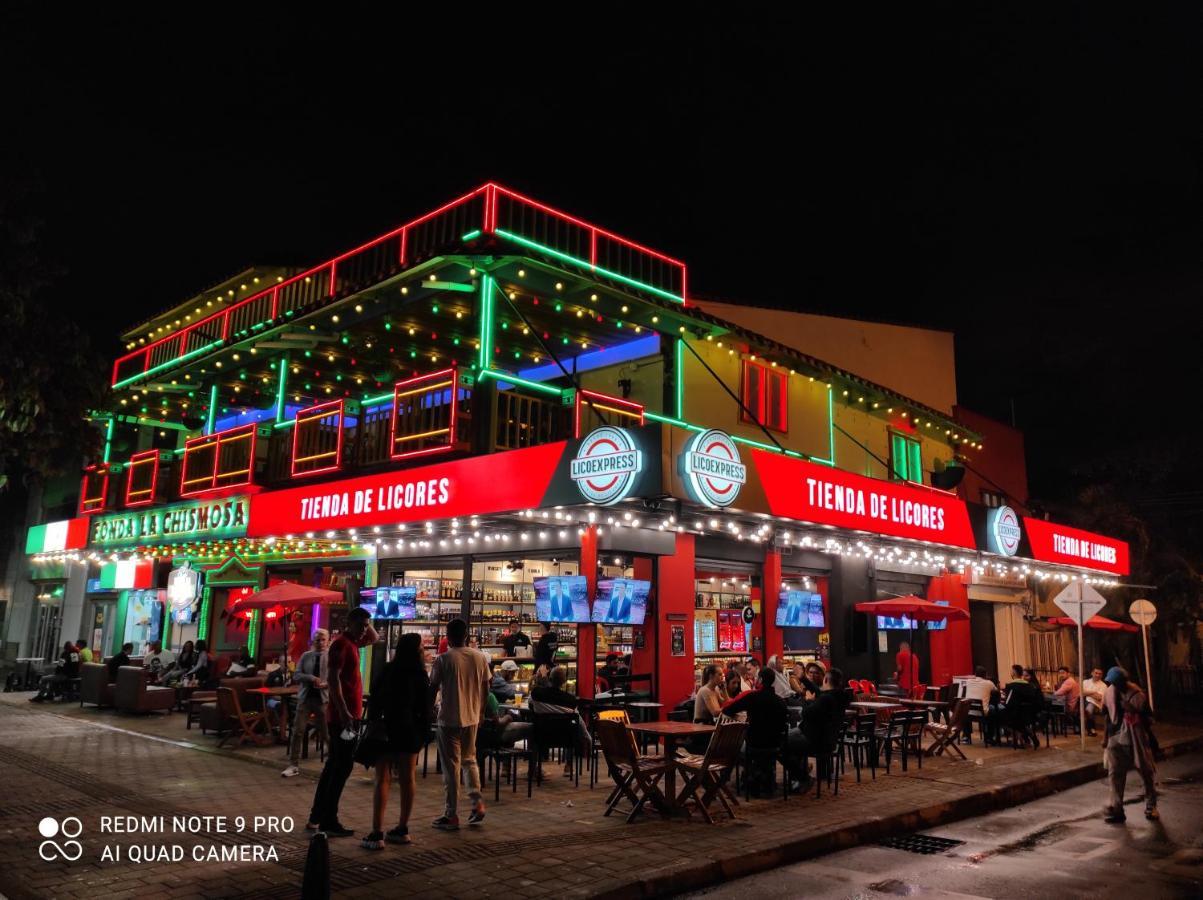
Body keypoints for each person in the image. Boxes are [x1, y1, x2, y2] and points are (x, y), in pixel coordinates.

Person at [307, 608, 378, 837]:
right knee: (340, 768)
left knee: (334, 767)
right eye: (361, 624)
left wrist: (367, 619)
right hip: (342, 718)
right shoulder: (341, 645)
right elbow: (333, 680)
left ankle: (319, 816)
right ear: (350, 623)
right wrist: (344, 712)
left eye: (366, 624)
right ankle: (328, 818)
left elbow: (375, 638)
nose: (364, 629)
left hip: (348, 716)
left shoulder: (353, 643)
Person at [362, 633, 430, 849]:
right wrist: (422, 732)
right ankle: (402, 827)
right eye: (421, 647)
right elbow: (425, 707)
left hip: (386, 729)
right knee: (408, 778)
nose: (423, 651)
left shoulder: (388, 670)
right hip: (409, 731)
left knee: (382, 778)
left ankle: (376, 832)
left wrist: (373, 720)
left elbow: (375, 698)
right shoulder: (420, 675)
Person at [428, 617, 490, 830]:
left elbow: (433, 688)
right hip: (472, 717)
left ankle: (451, 814)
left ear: (448, 636)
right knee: (470, 760)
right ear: (466, 635)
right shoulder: (480, 657)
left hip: (448, 719)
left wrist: (427, 711)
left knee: (450, 767)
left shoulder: (443, 660)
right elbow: (486, 688)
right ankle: (477, 803)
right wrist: (481, 712)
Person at [1101, 666, 1158, 822]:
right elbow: (1106, 716)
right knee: (1115, 774)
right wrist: (1105, 738)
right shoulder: (1109, 693)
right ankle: (1117, 808)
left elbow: (1149, 719)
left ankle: (1151, 805)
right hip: (1115, 737)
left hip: (1136, 738)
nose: (1113, 685)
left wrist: (1133, 711)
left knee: (1145, 771)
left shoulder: (1136, 694)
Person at [785, 667, 849, 790]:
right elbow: (818, 692)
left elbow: (806, 713)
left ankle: (802, 777)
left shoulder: (826, 699)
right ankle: (798, 777)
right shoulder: (838, 696)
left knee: (782, 745)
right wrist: (803, 678)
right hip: (829, 741)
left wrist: (807, 701)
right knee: (790, 739)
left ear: (825, 680)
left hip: (816, 741)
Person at [282, 629, 330, 778]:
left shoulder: (331, 657)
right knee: (298, 731)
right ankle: (293, 764)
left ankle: (334, 764)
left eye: (323, 640)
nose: (320, 643)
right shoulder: (306, 656)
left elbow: (336, 677)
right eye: (317, 640)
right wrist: (310, 678)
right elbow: (296, 675)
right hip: (305, 698)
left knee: (326, 732)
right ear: (313, 641)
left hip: (322, 699)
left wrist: (325, 684)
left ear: (328, 641)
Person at [530, 664, 591, 775]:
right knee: (571, 728)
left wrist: (541, 678)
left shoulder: (537, 694)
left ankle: (534, 767)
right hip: (565, 738)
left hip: (541, 736)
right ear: (564, 682)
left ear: (550, 678)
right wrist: (587, 736)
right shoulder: (571, 700)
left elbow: (531, 703)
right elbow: (578, 719)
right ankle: (568, 766)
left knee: (532, 728)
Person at [1081, 666, 1106, 737]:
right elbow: (1080, 692)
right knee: (1087, 708)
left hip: (1095, 704)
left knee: (1089, 709)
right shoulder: (1085, 682)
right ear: (1092, 673)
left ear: (1102, 675)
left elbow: (1099, 697)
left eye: (1100, 674)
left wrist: (1087, 693)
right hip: (1082, 702)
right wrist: (1094, 692)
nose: (1097, 675)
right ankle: (1091, 729)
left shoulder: (1103, 685)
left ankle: (1091, 729)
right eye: (1096, 673)